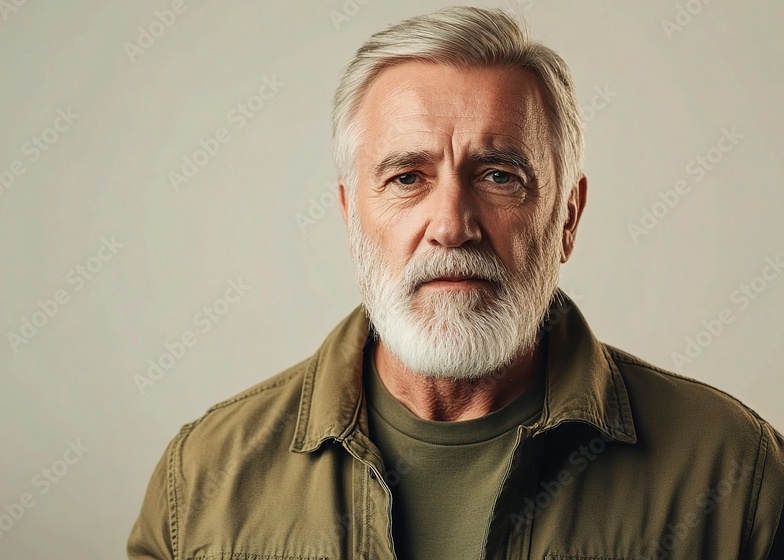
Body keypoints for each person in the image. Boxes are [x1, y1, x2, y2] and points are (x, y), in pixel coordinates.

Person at [129, 6, 784, 559]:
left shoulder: (736, 472)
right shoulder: (205, 482)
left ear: (568, 218)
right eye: (407, 177)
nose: (451, 225)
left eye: (500, 175)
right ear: (352, 215)